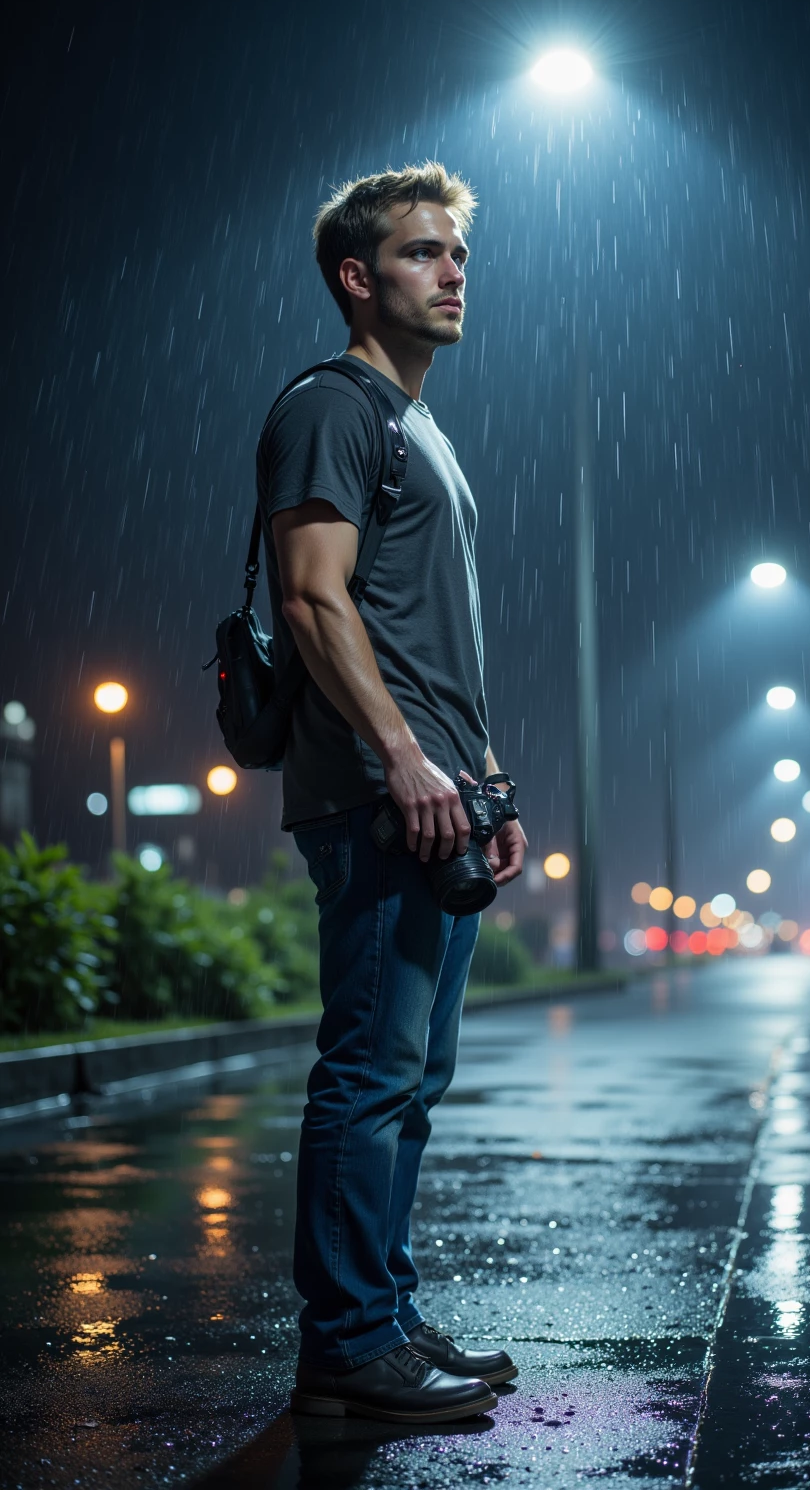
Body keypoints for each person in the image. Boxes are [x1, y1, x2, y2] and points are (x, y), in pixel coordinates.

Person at [257, 162, 528, 1424]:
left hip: (435, 795)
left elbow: (423, 635)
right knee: (368, 1071)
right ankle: (348, 1341)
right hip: (379, 798)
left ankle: (385, 1314)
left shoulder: (422, 427)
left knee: (410, 1078)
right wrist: (406, 762)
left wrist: (485, 784)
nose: (454, 271)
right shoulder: (334, 406)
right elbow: (315, 599)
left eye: (458, 254)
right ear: (358, 278)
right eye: (424, 254)